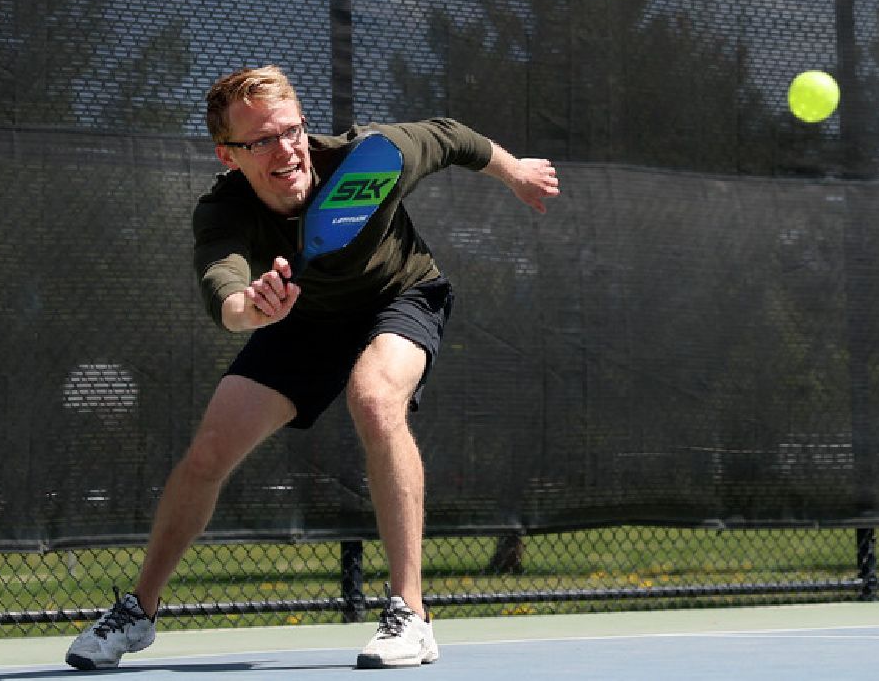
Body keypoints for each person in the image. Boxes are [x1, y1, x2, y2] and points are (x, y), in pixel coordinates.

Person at [66, 65, 559, 670]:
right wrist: (251, 307)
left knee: (375, 400)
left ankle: (411, 613)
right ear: (228, 155)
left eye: (292, 130)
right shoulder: (222, 212)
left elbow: (450, 135)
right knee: (208, 453)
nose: (287, 149)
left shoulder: (372, 160)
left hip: (400, 296)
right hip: (300, 319)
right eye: (263, 141)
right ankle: (138, 613)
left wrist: (516, 173)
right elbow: (222, 287)